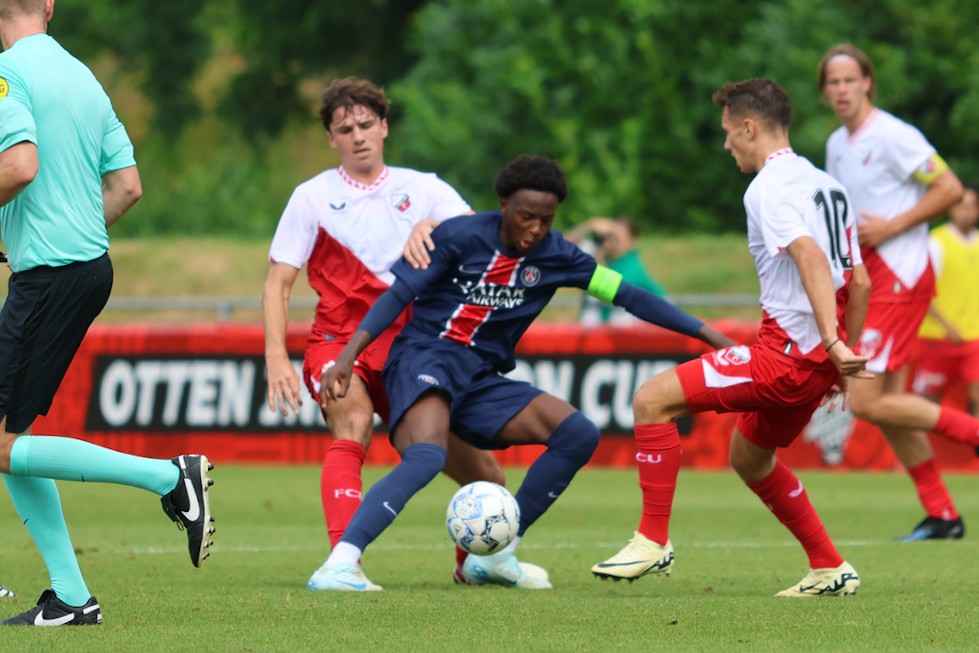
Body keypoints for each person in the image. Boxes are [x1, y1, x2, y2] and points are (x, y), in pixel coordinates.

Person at [310, 154, 734, 591]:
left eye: (546, 220)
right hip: (424, 359)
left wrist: (709, 335)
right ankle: (341, 563)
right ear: (504, 204)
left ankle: (495, 557)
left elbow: (629, 296)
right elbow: (398, 295)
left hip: (478, 378)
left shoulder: (558, 256)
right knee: (428, 455)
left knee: (578, 434)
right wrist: (347, 357)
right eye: (526, 216)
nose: (535, 228)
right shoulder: (459, 236)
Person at [594, 78, 872, 596]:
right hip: (814, 365)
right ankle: (830, 566)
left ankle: (652, 541)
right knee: (749, 456)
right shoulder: (826, 185)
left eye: (728, 132)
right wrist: (839, 357)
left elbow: (809, 255)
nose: (726, 145)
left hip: (785, 357)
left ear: (749, 126)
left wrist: (834, 344)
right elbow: (858, 281)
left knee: (650, 401)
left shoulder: (768, 186)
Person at [0, 0, 214, 627]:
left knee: (4, 442)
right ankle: (69, 598)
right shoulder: (83, 75)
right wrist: (58, 234)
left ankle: (169, 477)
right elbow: (127, 186)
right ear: (50, 4)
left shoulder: (7, 71)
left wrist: (44, 243)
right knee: (7, 441)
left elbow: (19, 165)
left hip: (50, 277)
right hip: (83, 267)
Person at [262, 76, 517, 588]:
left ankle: (478, 565)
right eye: (344, 129)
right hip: (339, 343)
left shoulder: (423, 188)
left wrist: (436, 228)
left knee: (486, 476)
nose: (357, 136)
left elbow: (484, 238)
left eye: (365, 125)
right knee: (352, 423)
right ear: (331, 139)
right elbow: (277, 285)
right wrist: (275, 359)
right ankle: (343, 563)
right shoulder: (311, 197)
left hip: (413, 351)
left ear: (383, 127)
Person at [819, 43, 979, 541]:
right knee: (888, 403)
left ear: (868, 82)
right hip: (872, 282)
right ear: (824, 92)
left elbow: (949, 187)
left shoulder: (893, 135)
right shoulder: (835, 145)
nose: (842, 88)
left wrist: (892, 227)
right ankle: (943, 514)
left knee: (865, 401)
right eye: (832, 82)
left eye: (850, 79)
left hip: (903, 277)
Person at [912, 187, 979, 424]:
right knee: (927, 402)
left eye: (971, 206)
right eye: (961, 206)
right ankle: (911, 458)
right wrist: (947, 325)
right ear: (951, 209)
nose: (966, 212)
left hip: (974, 338)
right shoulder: (936, 242)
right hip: (939, 338)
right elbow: (922, 292)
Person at [566, 216, 666, 325]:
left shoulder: (631, 267)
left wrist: (599, 255)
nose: (612, 241)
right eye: (611, 235)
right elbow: (564, 246)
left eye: (618, 237)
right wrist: (589, 225)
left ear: (632, 241)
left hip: (617, 331)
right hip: (594, 328)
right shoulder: (600, 253)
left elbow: (602, 288)